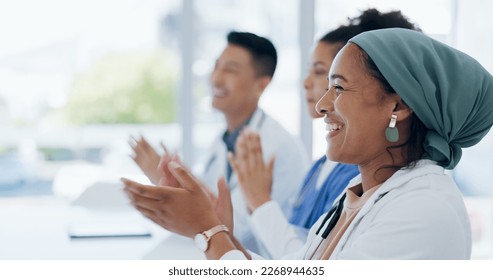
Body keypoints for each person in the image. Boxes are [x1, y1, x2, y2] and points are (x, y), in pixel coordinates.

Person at [123, 28, 493, 260]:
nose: (321, 104)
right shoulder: (358, 193)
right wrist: (224, 234)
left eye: (339, 87)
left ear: (397, 105)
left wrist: (210, 232)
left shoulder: (423, 209)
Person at [230, 9, 421, 259]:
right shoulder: (323, 166)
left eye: (327, 75)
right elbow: (301, 257)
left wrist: (257, 204)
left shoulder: (365, 176)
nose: (307, 84)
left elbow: (307, 264)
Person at [129, 31, 309, 255]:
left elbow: (235, 228)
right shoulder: (223, 139)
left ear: (261, 85)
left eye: (230, 70)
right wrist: (175, 183)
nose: (216, 78)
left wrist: (185, 194)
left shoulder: (275, 146)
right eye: (216, 66)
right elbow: (212, 209)